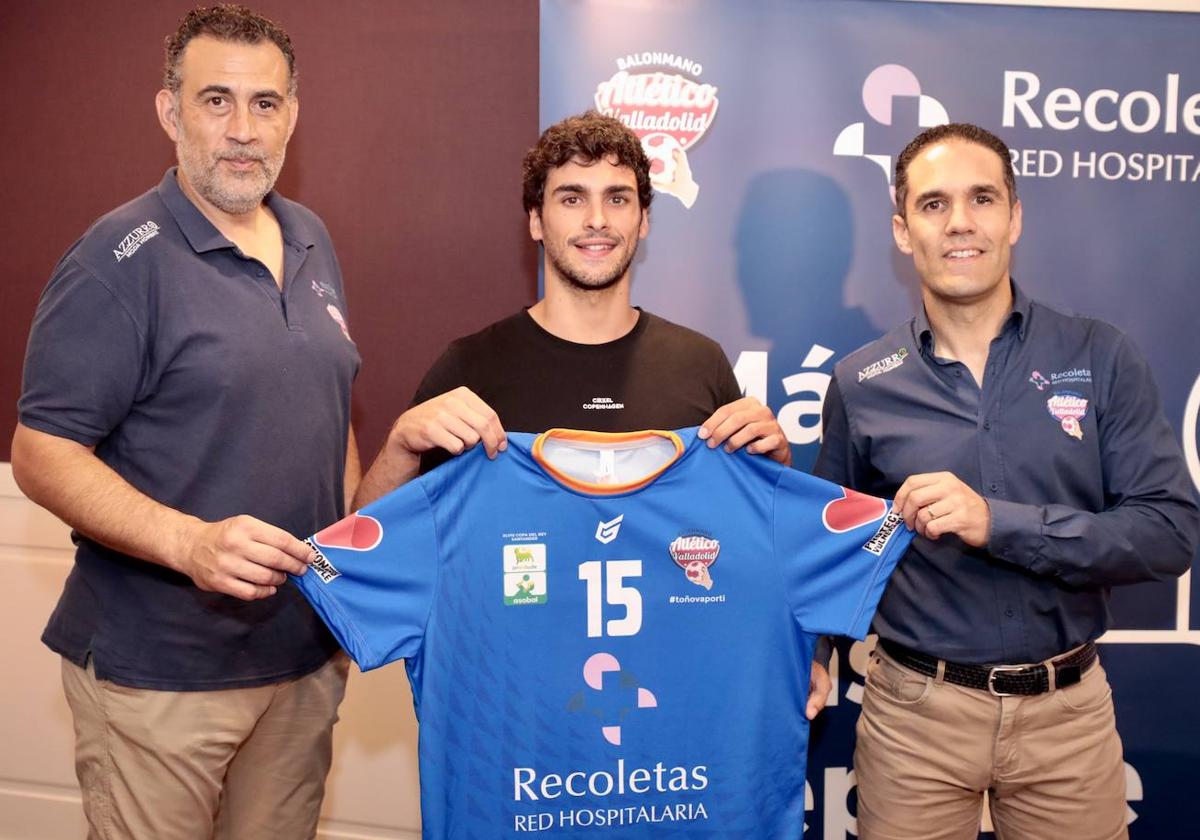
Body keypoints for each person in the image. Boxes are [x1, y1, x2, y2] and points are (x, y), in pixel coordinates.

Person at [354, 111, 832, 718]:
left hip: (668, 705)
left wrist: (776, 470)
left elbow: (748, 552)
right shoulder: (470, 367)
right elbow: (365, 546)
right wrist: (399, 448)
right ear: (535, 219)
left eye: (618, 198)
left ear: (645, 219)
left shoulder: (699, 363)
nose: (597, 220)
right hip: (514, 711)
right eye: (572, 198)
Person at [12, 6, 360, 838]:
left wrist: (348, 577)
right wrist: (189, 544)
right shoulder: (116, 259)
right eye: (216, 101)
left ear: (293, 115)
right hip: (159, 681)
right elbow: (40, 451)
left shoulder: (310, 236)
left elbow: (329, 411)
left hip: (299, 662)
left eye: (265, 104)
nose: (243, 130)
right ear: (170, 113)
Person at [814, 122, 1199, 840]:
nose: (960, 222)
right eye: (933, 205)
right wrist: (810, 658)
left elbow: (1169, 533)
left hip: (1068, 716)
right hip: (913, 719)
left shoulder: (1100, 355)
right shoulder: (861, 383)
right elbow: (833, 547)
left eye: (982, 198)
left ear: (1014, 216)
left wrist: (999, 523)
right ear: (903, 231)